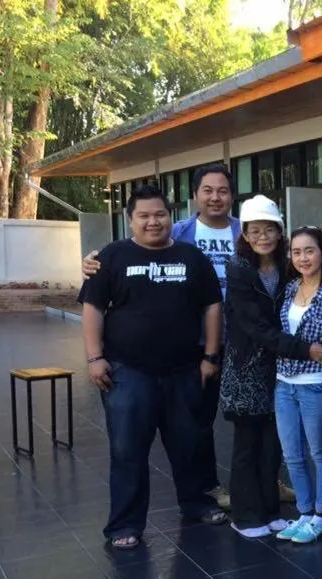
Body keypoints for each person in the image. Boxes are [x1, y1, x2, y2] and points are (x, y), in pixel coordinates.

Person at [80, 164, 294, 509]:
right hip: (195, 346)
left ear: (231, 196)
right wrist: (93, 261)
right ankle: (209, 487)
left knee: (264, 414)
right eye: (207, 190)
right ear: (194, 196)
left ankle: (269, 477)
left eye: (222, 191)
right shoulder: (177, 232)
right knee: (198, 422)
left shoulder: (250, 231)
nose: (215, 197)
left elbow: (286, 259)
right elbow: (135, 251)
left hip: (251, 343)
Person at [80, 184, 227, 550]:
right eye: (143, 215)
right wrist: (95, 358)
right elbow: (93, 309)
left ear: (171, 217)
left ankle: (195, 504)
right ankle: (124, 524)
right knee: (127, 450)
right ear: (130, 220)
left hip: (185, 370)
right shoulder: (111, 258)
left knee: (188, 445)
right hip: (128, 373)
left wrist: (210, 356)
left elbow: (212, 307)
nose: (152, 221)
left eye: (159, 214)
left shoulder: (193, 258)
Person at [220, 196, 322, 539]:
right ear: (245, 235)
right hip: (247, 369)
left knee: (272, 442)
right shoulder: (238, 269)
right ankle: (246, 516)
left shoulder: (286, 266)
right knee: (247, 444)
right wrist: (307, 349)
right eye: (255, 230)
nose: (263, 236)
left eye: (269, 229)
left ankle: (268, 510)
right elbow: (255, 327)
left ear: (280, 233)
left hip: (278, 368)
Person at [273, 226, 322, 544]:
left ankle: (321, 514)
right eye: (296, 251)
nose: (303, 257)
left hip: (316, 383)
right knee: (292, 454)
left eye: (309, 250)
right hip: (284, 382)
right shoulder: (288, 289)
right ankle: (303, 512)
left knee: (320, 452)